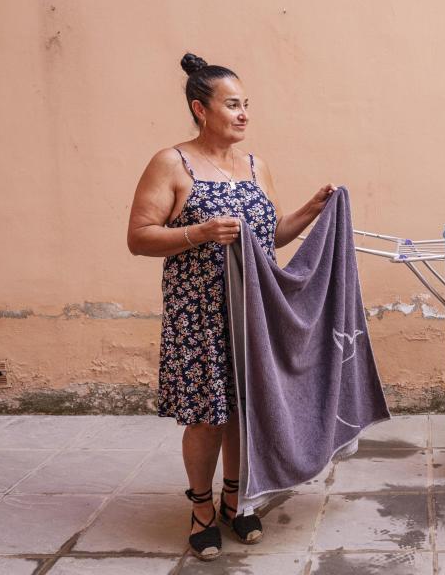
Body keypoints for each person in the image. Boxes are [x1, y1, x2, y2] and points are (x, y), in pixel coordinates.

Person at [127, 53, 334, 561]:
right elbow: (138, 237)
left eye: (247, 105)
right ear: (201, 109)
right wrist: (197, 232)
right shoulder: (170, 162)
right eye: (233, 105)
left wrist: (313, 209)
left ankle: (235, 499)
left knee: (246, 411)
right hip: (199, 312)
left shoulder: (256, 165)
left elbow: (271, 236)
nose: (244, 114)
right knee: (206, 416)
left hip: (254, 314)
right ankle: (200, 507)